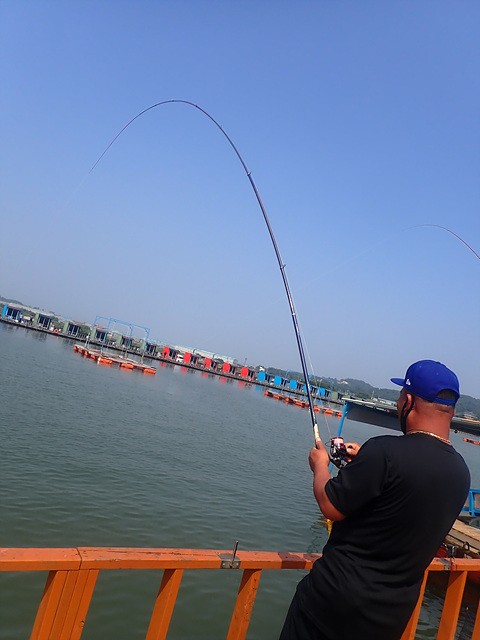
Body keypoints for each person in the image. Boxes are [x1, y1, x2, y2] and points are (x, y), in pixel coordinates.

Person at [279, 360, 470, 640]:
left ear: (408, 401)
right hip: (389, 620)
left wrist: (320, 466)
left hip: (330, 608)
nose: (397, 404)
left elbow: (330, 504)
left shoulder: (384, 452)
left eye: (399, 398)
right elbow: (406, 492)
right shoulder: (460, 473)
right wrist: (365, 463)